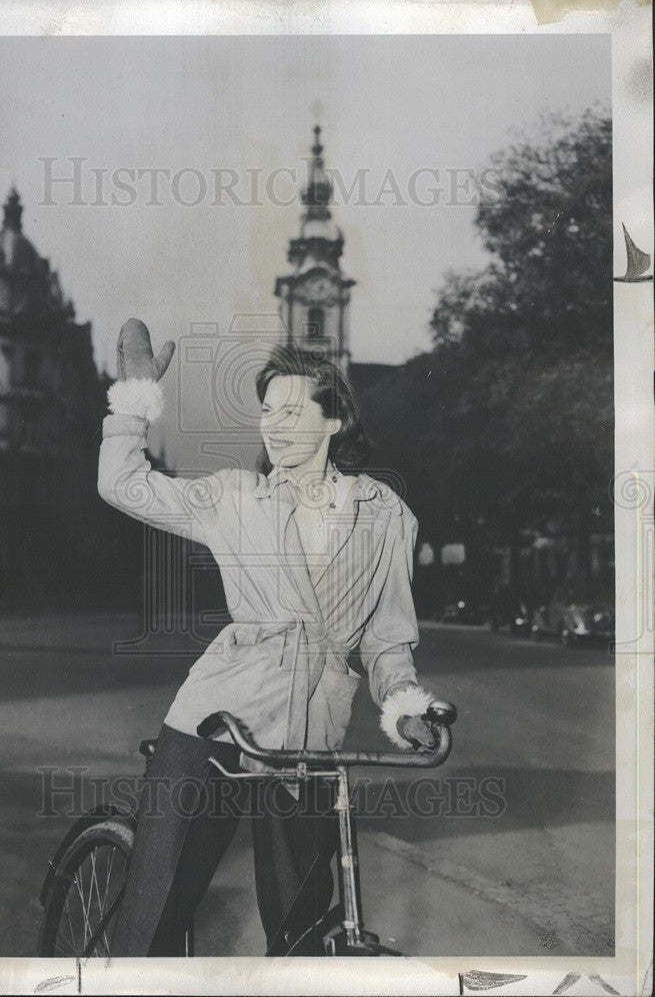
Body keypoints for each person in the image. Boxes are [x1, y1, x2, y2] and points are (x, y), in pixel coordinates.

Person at [97, 318, 437, 956]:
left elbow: (388, 638)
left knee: (303, 931)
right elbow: (122, 485)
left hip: (309, 736)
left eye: (292, 409)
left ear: (334, 422)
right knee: (159, 908)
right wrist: (135, 402)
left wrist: (406, 705)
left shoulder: (387, 516)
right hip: (217, 718)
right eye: (266, 411)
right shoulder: (235, 497)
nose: (274, 424)